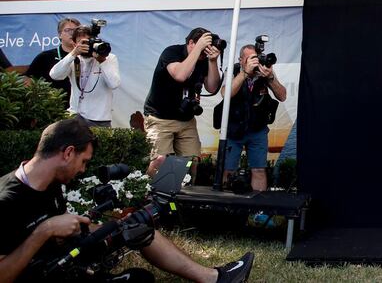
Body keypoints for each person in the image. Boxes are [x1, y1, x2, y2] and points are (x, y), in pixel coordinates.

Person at [0, 117, 254, 282]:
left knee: (134, 226)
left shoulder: (52, 183)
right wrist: (45, 231)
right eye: (83, 161)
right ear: (67, 153)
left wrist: (112, 226)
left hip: (65, 258)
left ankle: (214, 278)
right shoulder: (7, 199)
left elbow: (56, 234)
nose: (83, 170)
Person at [143, 28, 222, 176]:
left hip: (186, 119)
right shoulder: (172, 52)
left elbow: (212, 87)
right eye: (202, 46)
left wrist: (212, 61)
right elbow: (180, 75)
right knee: (160, 161)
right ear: (191, 42)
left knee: (191, 160)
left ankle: (181, 195)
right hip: (160, 118)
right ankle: (150, 194)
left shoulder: (204, 60)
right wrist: (197, 49)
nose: (204, 52)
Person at [220, 45, 287, 191]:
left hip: (257, 130)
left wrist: (270, 78)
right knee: (228, 170)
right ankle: (226, 208)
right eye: (250, 58)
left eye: (255, 58)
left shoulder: (264, 71)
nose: (254, 62)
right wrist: (244, 73)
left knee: (259, 170)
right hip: (233, 129)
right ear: (241, 60)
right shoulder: (233, 69)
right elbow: (226, 94)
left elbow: (282, 96)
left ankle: (258, 210)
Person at [49, 26, 120, 128]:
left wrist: (102, 61)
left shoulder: (109, 58)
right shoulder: (73, 59)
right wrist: (73, 53)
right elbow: (54, 75)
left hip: (100, 119)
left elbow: (114, 84)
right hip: (75, 116)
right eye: (82, 43)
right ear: (74, 44)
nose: (87, 46)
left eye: (88, 42)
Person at [25, 18, 81, 105]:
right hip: (53, 107)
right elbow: (27, 79)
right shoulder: (45, 56)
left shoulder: (86, 57)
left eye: (75, 31)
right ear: (60, 34)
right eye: (68, 30)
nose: (72, 33)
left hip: (80, 108)